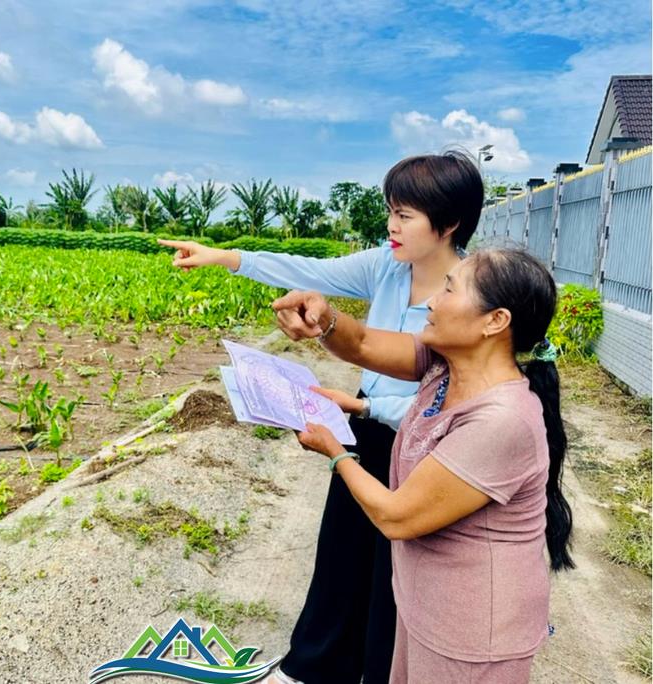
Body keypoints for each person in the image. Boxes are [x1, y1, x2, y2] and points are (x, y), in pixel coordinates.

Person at [159, 151, 484, 684]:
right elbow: (310, 271)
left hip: (427, 444)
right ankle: (314, 668)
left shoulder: (468, 293)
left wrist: (368, 405)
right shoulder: (386, 265)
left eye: (405, 215)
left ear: (447, 224)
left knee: (395, 572)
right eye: (390, 211)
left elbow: (460, 398)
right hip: (368, 429)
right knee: (341, 551)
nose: (391, 225)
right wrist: (222, 256)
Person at [274, 248, 574, 682]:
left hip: (471, 634)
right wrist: (325, 318)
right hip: (427, 606)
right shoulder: (446, 366)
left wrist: (335, 450)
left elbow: (397, 516)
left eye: (450, 289)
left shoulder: (502, 420)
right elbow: (361, 342)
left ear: (495, 321)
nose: (432, 301)